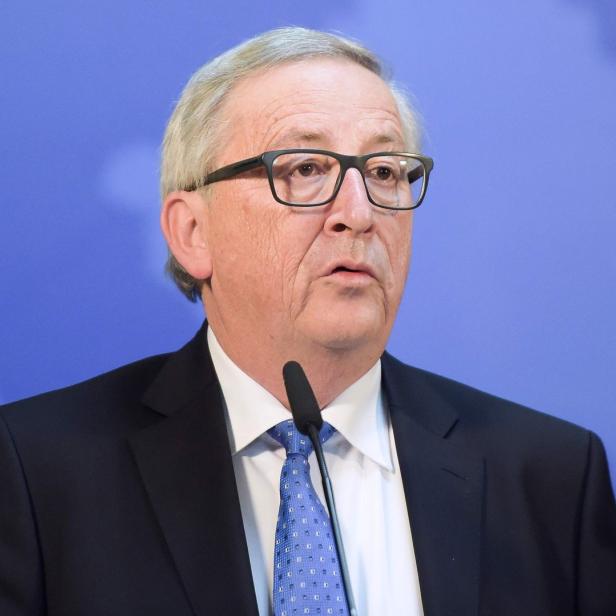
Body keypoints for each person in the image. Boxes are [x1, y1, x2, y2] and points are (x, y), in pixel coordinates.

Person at [0, 27, 614, 616]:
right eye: (305, 169)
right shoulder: (36, 472)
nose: (359, 213)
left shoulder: (551, 476)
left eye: (383, 172)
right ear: (193, 231)